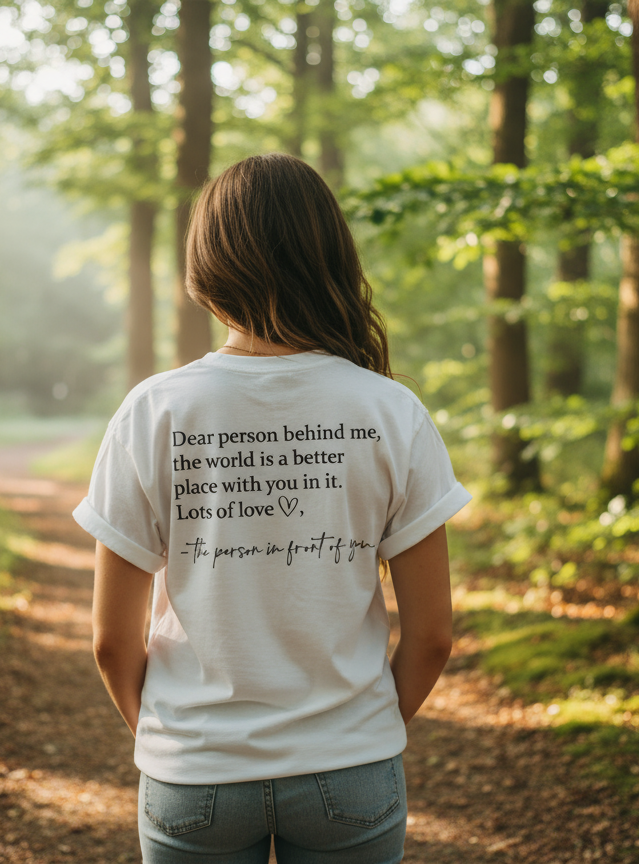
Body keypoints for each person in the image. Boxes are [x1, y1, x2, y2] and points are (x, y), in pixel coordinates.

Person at [73, 153, 472, 863]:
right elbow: (433, 633)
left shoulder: (153, 412)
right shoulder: (391, 412)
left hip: (195, 774)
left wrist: (175, 745)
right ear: (328, 257)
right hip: (350, 770)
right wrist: (361, 735)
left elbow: (111, 640)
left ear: (208, 267)